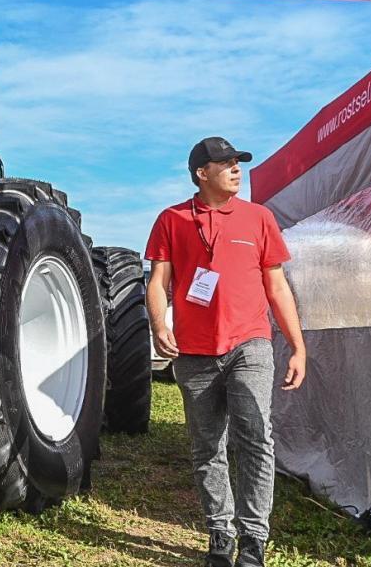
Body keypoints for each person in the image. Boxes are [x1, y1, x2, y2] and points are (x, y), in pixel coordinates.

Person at [145, 137, 307, 567]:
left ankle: (253, 539)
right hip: (193, 354)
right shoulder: (172, 220)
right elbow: (158, 282)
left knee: (255, 436)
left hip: (249, 344)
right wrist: (160, 324)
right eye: (227, 163)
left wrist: (297, 346)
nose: (237, 169)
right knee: (206, 447)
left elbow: (277, 287)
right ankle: (221, 532)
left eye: (238, 162)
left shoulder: (259, 218)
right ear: (202, 173)